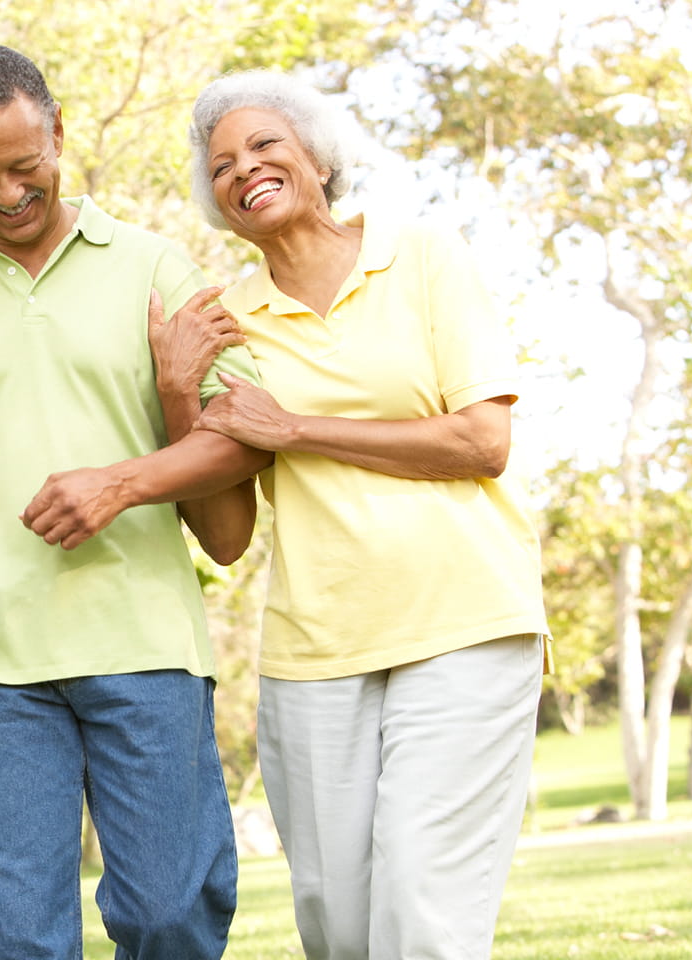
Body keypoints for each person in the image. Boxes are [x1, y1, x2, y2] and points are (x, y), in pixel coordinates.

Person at [0, 45, 272, 960]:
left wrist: (120, 484)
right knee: (19, 940)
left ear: (60, 135)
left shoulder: (155, 269)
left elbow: (244, 431)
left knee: (170, 912)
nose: (5, 194)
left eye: (23, 167)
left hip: (144, 639)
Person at [158, 70, 553, 959]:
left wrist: (295, 428)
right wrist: (180, 390)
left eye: (264, 144)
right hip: (317, 647)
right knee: (335, 923)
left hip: (465, 621)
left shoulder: (421, 256)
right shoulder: (226, 322)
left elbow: (483, 441)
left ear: (316, 155)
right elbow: (224, 538)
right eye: (220, 165)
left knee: (422, 908)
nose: (245, 169)